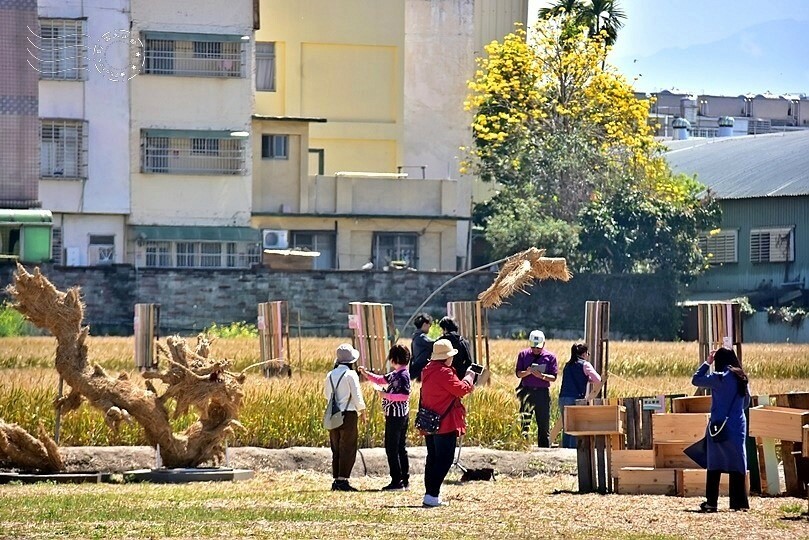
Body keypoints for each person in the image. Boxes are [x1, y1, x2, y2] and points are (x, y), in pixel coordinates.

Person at [691, 346, 750, 512]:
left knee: (714, 463)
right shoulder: (742, 377)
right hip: (738, 426)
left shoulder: (719, 378)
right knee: (738, 462)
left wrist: (707, 362)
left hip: (719, 427)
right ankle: (739, 503)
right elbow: (746, 402)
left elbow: (696, 380)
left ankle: (712, 502)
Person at [418, 338, 476, 507]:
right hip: (445, 423)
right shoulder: (444, 372)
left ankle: (430, 494)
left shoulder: (427, 369)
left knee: (433, 458)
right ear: (446, 357)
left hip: (430, 422)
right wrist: (470, 377)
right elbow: (461, 389)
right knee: (445, 459)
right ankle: (432, 495)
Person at [358, 344, 412, 491]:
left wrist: (385, 395)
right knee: (400, 448)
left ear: (394, 359)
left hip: (396, 417)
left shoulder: (402, 375)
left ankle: (397, 481)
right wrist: (366, 373)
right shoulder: (398, 374)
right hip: (400, 416)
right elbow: (381, 380)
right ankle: (404, 480)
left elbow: (404, 396)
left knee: (392, 448)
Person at [324, 343, 367, 491]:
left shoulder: (329, 374)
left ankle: (336, 479)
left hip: (333, 413)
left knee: (336, 447)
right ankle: (343, 480)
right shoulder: (351, 374)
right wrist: (362, 411)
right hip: (348, 414)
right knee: (348, 446)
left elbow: (326, 395)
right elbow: (357, 395)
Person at [514, 330, 558, 447]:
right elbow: (518, 374)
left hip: (542, 393)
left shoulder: (550, 357)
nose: (536, 350)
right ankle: (522, 445)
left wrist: (542, 376)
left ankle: (544, 448)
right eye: (534, 347)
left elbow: (553, 377)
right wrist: (527, 372)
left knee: (543, 423)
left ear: (544, 344)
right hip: (526, 391)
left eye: (538, 347)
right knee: (524, 420)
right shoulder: (523, 355)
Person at [558, 343, 603, 448]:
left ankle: (565, 449)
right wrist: (587, 378)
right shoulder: (585, 364)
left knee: (566, 426)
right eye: (588, 353)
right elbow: (598, 379)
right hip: (576, 398)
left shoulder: (568, 364)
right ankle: (573, 449)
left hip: (563, 397)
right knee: (575, 426)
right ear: (584, 354)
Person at [409, 313, 434, 381]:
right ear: (425, 324)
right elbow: (434, 344)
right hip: (420, 367)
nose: (429, 328)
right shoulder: (421, 337)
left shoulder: (415, 336)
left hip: (415, 366)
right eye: (429, 325)